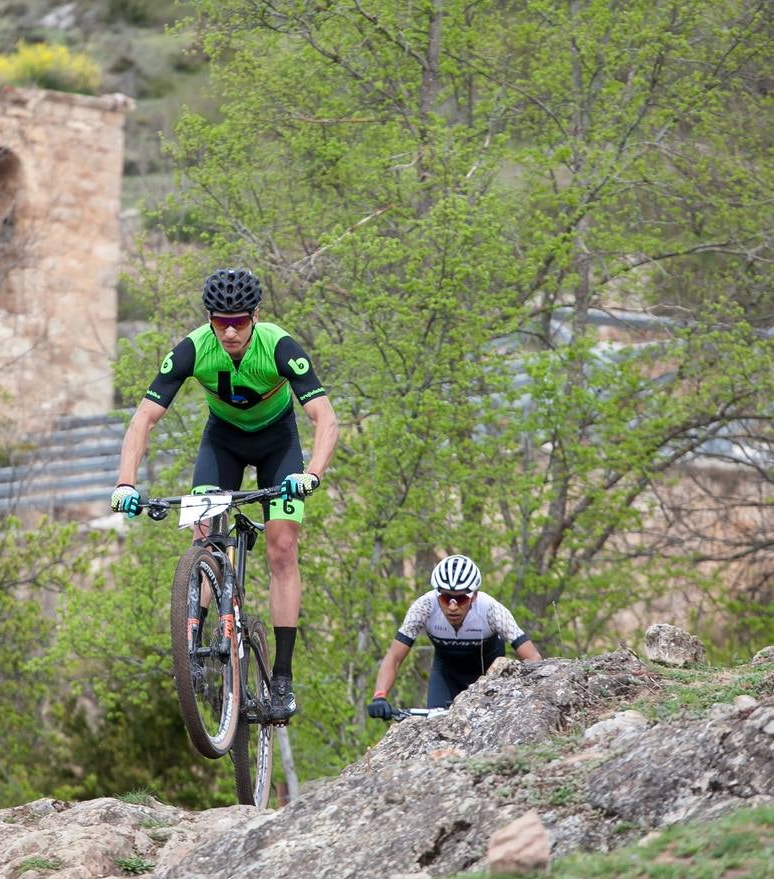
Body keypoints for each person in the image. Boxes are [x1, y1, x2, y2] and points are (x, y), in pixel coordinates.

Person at [110, 268, 339, 723]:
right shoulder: (193, 348)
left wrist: (311, 474)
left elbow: (325, 419)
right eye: (220, 322)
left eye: (238, 321)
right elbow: (142, 419)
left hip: (279, 446)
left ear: (256, 315)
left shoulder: (278, 345)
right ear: (209, 320)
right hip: (223, 445)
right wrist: (125, 483)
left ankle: (283, 679)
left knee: (282, 547)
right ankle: (193, 645)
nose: (230, 331)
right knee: (201, 530)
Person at [367, 554, 542, 717]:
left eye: (461, 599)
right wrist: (379, 696)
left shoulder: (491, 610)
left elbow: (533, 657)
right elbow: (394, 657)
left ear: (474, 596)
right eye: (445, 598)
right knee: (436, 731)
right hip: (446, 675)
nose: (452, 607)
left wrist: (532, 698)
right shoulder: (424, 607)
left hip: (490, 677)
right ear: (437, 594)